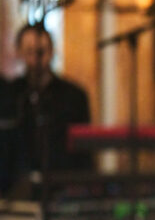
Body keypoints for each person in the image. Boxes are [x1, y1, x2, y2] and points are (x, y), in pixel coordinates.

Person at [6, 23, 92, 190]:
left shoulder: (73, 96)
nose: (35, 60)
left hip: (63, 186)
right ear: (19, 53)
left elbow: (83, 153)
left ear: (51, 52)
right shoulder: (12, 95)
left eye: (41, 52)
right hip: (19, 189)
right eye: (29, 52)